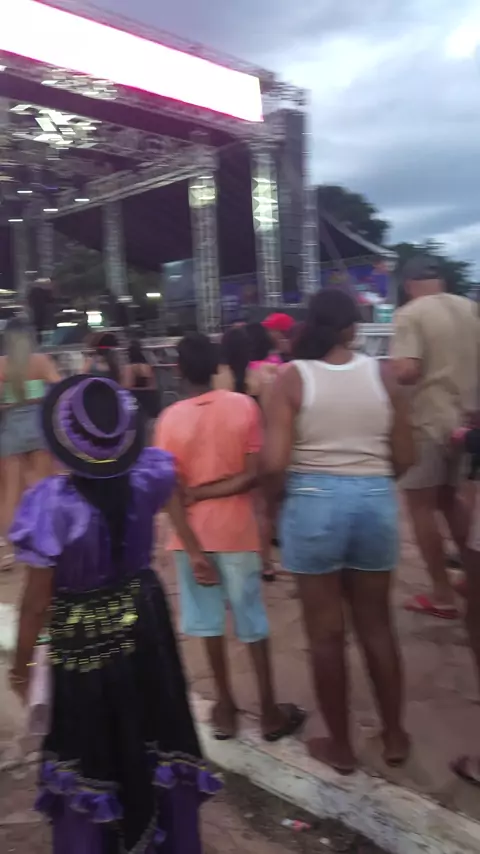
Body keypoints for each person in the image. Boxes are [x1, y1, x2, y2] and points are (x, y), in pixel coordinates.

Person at [8, 374, 221, 853]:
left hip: (82, 631)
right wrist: (193, 547)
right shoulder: (147, 476)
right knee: (153, 715)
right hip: (143, 616)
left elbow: (37, 601)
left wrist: (21, 667)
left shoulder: (51, 504)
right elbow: (172, 488)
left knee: (89, 733)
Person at [263, 289, 414, 774]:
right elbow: (406, 455)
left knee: (325, 633)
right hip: (374, 498)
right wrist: (370, 480)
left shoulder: (292, 378)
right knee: (377, 625)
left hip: (312, 502)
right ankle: (394, 736)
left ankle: (342, 747)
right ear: (353, 329)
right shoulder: (383, 374)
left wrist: (274, 504)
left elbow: (274, 462)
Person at [155, 333, 305, 741]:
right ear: (217, 366)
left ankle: (225, 708)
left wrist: (192, 546)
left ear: (178, 370)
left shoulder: (169, 420)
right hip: (238, 532)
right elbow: (253, 474)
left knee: (207, 625)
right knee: (251, 620)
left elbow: (171, 493)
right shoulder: (243, 406)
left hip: (191, 537)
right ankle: (269, 711)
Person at [391, 256, 478, 618]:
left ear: (409, 285)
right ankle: (472, 579)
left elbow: (407, 371)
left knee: (421, 506)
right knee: (450, 499)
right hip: (468, 422)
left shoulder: (410, 314)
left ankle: (442, 593)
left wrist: (389, 374)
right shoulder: (471, 308)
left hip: (427, 420)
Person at [215, 326, 276, 581]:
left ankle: (231, 563)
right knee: (261, 509)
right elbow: (269, 417)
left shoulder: (217, 377)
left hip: (226, 448)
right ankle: (266, 564)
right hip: (256, 445)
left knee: (227, 506)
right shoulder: (261, 375)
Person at [0, 317, 60, 568]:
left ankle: (8, 552)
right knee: (43, 488)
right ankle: (47, 544)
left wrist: (12, 403)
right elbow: (59, 388)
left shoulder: (2, 364)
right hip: (38, 429)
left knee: (10, 495)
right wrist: (39, 399)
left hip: (11, 432)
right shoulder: (40, 361)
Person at [124, 339, 160, 429]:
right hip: (149, 398)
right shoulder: (147, 367)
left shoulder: (129, 368)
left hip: (135, 399)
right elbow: (153, 385)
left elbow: (127, 386)